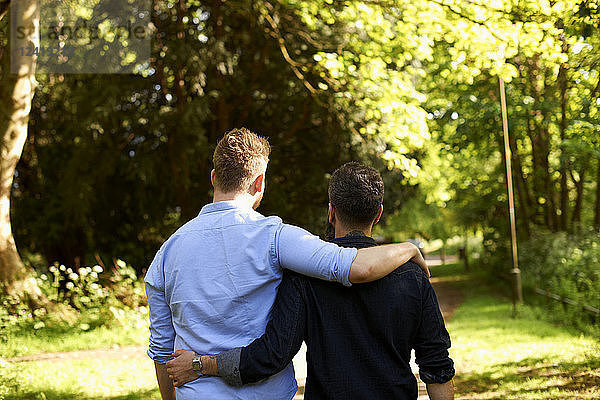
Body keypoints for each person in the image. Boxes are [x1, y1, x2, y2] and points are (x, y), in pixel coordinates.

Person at [145, 129, 429, 400]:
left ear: (213, 178)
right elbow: (356, 266)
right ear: (259, 183)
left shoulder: (166, 253)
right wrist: (408, 248)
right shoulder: (275, 237)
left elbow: (162, 354)